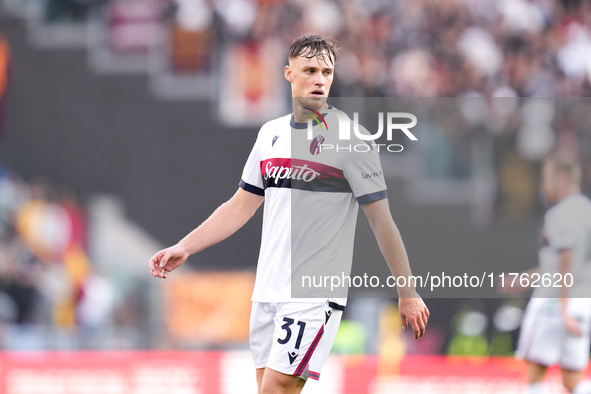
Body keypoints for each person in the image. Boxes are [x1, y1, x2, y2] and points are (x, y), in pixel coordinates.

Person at [149, 33, 429, 394]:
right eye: (310, 70)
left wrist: (406, 292)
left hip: (313, 293)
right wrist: (185, 246)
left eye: (326, 72)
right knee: (267, 387)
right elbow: (240, 204)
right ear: (288, 73)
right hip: (267, 290)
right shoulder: (271, 134)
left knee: (277, 389)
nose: (319, 79)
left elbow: (381, 220)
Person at [503, 152, 591, 394]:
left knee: (535, 372)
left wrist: (564, 307)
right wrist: (526, 278)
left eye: (546, 178)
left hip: (554, 303)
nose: (543, 185)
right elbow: (564, 265)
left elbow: (566, 260)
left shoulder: (561, 213)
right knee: (572, 380)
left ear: (562, 178)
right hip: (583, 305)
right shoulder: (587, 211)